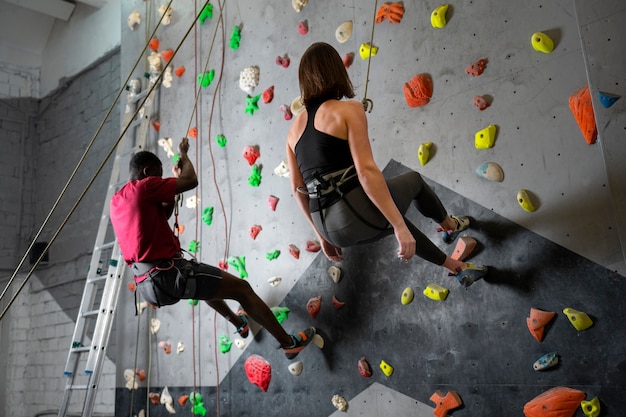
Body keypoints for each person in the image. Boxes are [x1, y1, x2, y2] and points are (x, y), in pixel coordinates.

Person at [285, 42, 488, 287]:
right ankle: (450, 226)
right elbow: (366, 171)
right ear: (336, 70)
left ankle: (458, 268)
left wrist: (322, 237)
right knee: (412, 183)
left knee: (386, 214)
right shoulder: (348, 110)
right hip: (352, 213)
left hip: (329, 229)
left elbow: (298, 192)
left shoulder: (292, 131)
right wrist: (399, 226)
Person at [110, 137, 315, 359]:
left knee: (200, 283)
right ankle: (288, 343)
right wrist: (184, 154)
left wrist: (170, 192)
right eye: (157, 176)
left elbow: (159, 217)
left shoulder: (117, 201)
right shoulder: (143, 187)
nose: (158, 181)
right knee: (242, 289)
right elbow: (191, 180)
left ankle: (239, 323)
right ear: (146, 171)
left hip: (149, 285)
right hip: (167, 275)